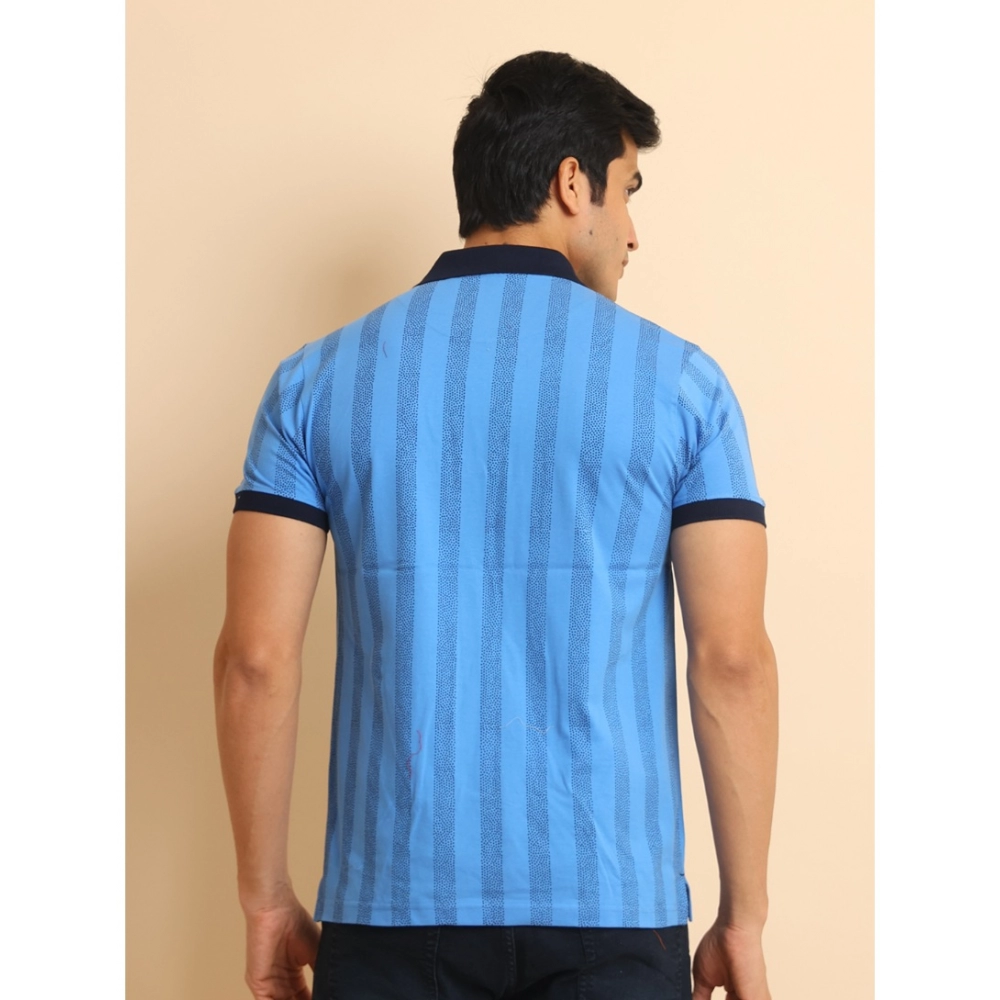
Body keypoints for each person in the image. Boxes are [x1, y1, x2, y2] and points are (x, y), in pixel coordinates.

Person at [214, 50, 778, 1000]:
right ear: (572, 184)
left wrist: (266, 900)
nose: (632, 232)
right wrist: (744, 918)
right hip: (615, 910)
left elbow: (255, 661)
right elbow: (732, 662)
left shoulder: (314, 384)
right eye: (628, 191)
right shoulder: (684, 387)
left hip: (389, 915)